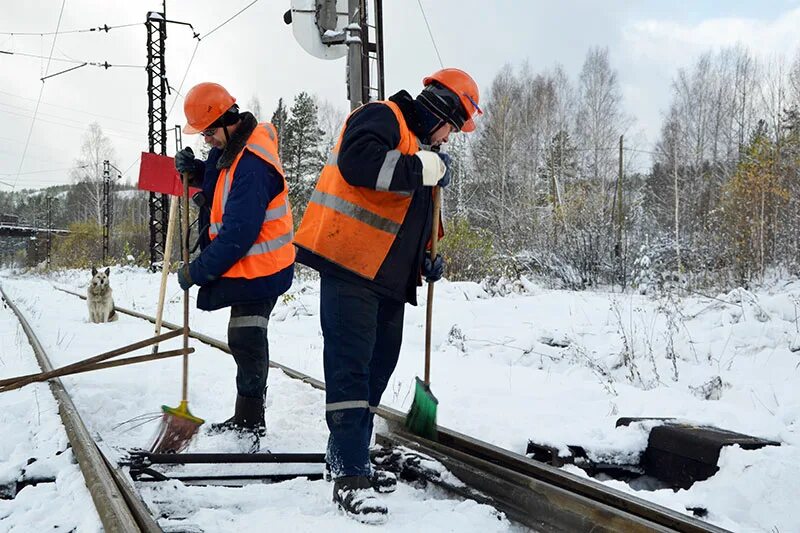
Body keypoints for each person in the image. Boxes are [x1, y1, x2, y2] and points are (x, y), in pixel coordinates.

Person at [294, 68, 481, 523]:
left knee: (379, 366)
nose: (450, 138)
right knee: (351, 368)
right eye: (452, 127)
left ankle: (347, 452)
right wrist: (422, 169)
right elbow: (358, 165)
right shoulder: (382, 116)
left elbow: (406, 217)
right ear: (442, 109)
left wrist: (424, 260)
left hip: (388, 280)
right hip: (350, 266)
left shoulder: (420, 148)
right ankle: (350, 472)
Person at [173, 82, 294, 447]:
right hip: (248, 267)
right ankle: (246, 417)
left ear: (226, 121)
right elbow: (216, 177)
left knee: (247, 337)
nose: (206, 139)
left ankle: (250, 422)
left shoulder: (254, 164)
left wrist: (197, 271)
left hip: (265, 267)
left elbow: (238, 235)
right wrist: (193, 170)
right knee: (242, 337)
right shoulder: (231, 150)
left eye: (208, 132)